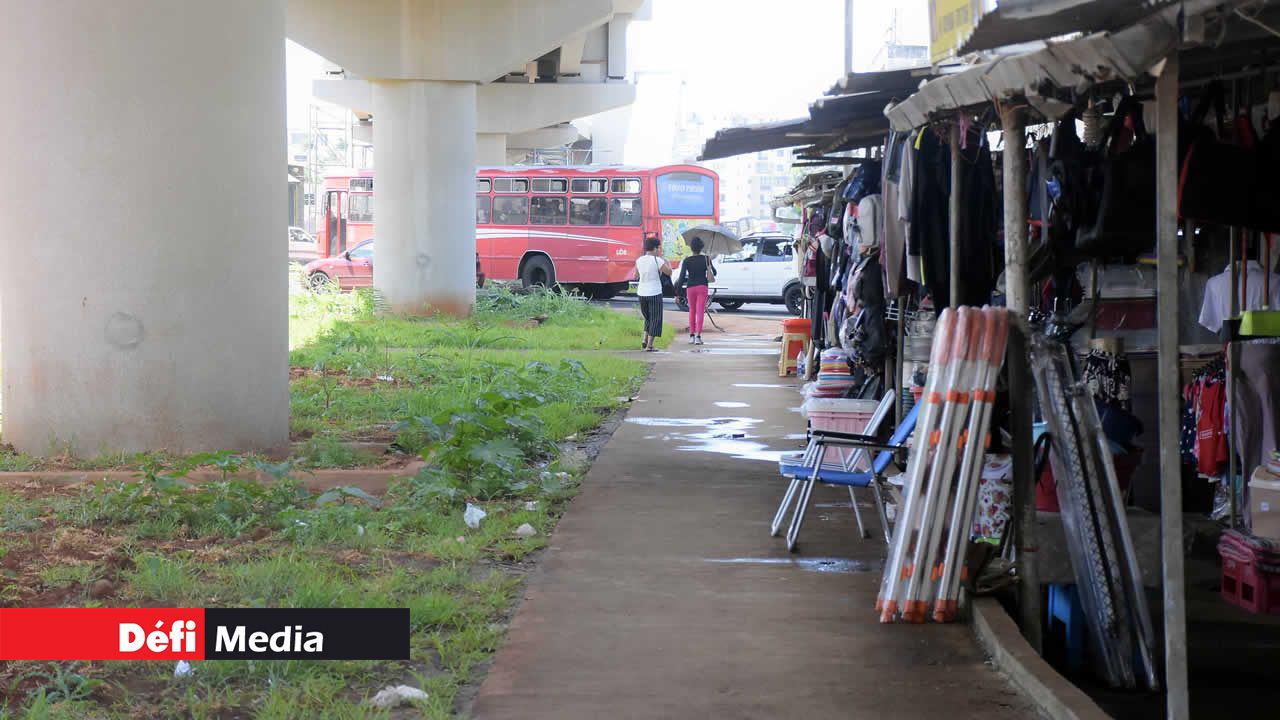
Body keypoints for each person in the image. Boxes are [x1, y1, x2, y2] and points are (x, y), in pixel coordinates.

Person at [675, 236, 716, 345]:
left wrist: (678, 293)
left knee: (692, 311)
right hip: (702, 287)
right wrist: (709, 265)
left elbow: (682, 277)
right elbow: (714, 273)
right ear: (701, 247)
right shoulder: (706, 259)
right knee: (700, 311)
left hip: (690, 288)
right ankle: (698, 337)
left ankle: (691, 336)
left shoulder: (687, 260)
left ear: (691, 248)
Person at [635, 237, 671, 351]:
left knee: (648, 317)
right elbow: (669, 272)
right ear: (655, 248)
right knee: (656, 318)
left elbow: (636, 276)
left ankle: (644, 339)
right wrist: (668, 263)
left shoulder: (639, 260)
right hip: (654, 292)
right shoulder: (658, 260)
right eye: (658, 248)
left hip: (641, 292)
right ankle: (649, 346)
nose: (659, 250)